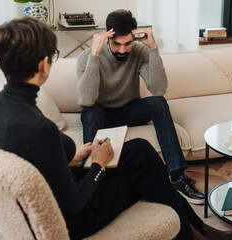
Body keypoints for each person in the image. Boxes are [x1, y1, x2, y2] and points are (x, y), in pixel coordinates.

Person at [0, 17, 232, 240]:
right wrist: (99, 165)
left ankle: (195, 228)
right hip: (74, 219)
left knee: (139, 149)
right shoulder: (40, 129)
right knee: (147, 174)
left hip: (51, 195)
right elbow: (73, 203)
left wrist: (72, 161)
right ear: (42, 65)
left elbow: (34, 163)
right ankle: (192, 233)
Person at [76, 9, 205, 205]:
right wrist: (95, 53)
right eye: (116, 44)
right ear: (107, 37)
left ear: (134, 37)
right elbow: (86, 100)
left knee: (158, 104)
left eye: (127, 43)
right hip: (100, 113)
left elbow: (158, 89)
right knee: (90, 112)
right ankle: (94, 179)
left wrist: (153, 48)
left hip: (129, 110)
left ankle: (178, 177)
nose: (122, 50)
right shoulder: (87, 57)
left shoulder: (139, 51)